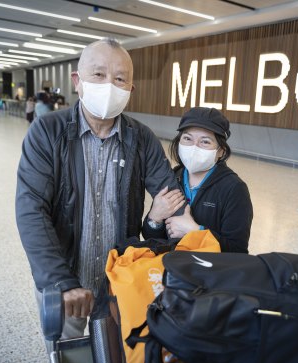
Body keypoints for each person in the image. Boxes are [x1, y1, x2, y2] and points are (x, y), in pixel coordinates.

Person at [15, 38, 181, 343]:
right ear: (77, 81)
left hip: (118, 280)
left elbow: (172, 199)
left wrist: (179, 234)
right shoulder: (47, 132)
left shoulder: (141, 138)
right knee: (68, 360)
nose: (109, 85)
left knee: (115, 362)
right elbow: (31, 210)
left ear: (130, 90)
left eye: (120, 78)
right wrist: (60, 282)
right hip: (66, 279)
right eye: (99, 75)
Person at [143, 107, 253, 253]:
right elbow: (151, 238)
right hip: (169, 268)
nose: (194, 147)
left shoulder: (234, 189)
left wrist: (195, 232)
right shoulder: (173, 177)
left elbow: (237, 251)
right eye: (187, 138)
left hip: (206, 273)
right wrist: (154, 218)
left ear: (221, 151)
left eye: (205, 142)